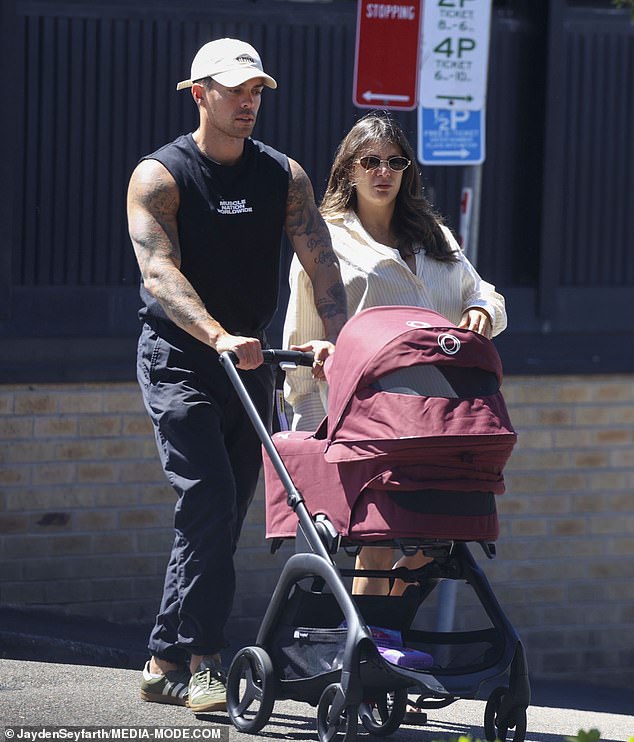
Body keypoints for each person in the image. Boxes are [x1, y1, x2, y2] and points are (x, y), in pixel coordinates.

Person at [127, 38, 346, 714]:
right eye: (235, 91)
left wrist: (337, 340)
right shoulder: (160, 176)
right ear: (200, 94)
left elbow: (323, 264)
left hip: (250, 363)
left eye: (257, 92)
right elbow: (159, 272)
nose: (249, 102)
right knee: (208, 499)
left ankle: (164, 657)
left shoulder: (284, 176)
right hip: (180, 357)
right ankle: (205, 663)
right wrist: (218, 335)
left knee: (220, 516)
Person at [283, 110, 507, 595]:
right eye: (370, 161)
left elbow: (484, 292)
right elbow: (301, 334)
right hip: (368, 411)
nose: (383, 172)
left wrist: (481, 311)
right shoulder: (326, 238)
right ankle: (372, 642)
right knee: (379, 535)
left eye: (395, 162)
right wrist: (306, 422)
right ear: (349, 169)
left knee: (439, 532)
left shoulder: (433, 234)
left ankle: (386, 633)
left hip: (442, 409)